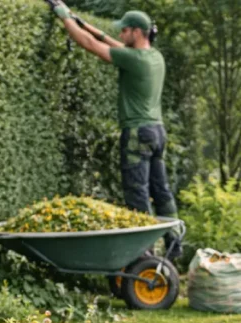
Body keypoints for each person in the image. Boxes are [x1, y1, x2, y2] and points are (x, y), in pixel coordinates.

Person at [51, 3, 181, 257]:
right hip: (157, 132)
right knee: (161, 189)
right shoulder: (154, 56)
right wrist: (81, 21)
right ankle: (175, 246)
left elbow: (89, 44)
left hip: (136, 134)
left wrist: (64, 17)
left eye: (125, 31)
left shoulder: (133, 59)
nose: (121, 35)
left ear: (137, 32)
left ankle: (145, 254)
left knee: (137, 193)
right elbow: (108, 41)